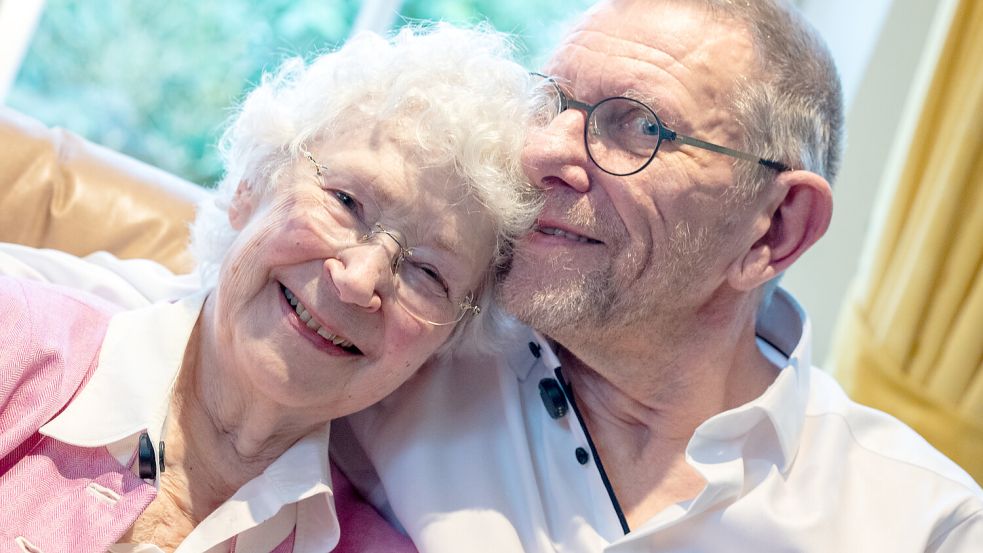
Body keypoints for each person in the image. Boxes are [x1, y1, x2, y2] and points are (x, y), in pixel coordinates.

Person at [2, 0, 982, 552]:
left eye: (634, 126)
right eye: (553, 100)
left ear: (774, 227)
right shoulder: (416, 339)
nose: (549, 148)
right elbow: (192, 322)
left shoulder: (917, 523)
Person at [0, 24, 540, 553]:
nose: (357, 280)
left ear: (439, 349)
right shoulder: (15, 344)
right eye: (346, 202)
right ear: (250, 186)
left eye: (428, 273)